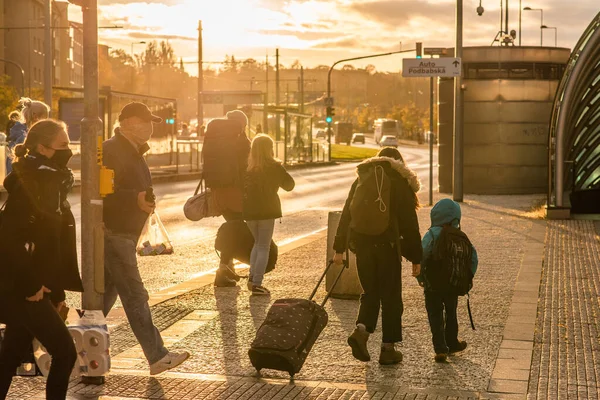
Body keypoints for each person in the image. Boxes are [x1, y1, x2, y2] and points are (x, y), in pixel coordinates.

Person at [102, 102, 189, 375]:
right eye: (144, 121)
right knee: (135, 296)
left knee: (99, 300)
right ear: (127, 122)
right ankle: (157, 356)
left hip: (124, 232)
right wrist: (135, 199)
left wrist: (144, 199)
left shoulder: (135, 150)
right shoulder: (112, 149)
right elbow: (102, 192)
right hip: (115, 233)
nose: (150, 127)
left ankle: (67, 346)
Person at [0, 119, 82, 399]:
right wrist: (31, 285)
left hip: (36, 287)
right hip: (25, 289)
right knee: (65, 352)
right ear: (42, 148)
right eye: (62, 146)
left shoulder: (51, 182)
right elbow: (9, 239)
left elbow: (51, 242)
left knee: (8, 356)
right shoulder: (31, 184)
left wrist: (55, 288)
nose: (67, 151)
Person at [333, 147, 422, 365]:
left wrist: (339, 248)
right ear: (399, 162)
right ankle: (388, 349)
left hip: (362, 245)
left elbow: (347, 212)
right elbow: (410, 224)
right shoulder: (399, 181)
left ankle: (361, 332)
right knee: (391, 297)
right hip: (387, 247)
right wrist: (416, 257)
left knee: (370, 292)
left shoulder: (362, 178)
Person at [416, 199, 478, 363]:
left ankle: (440, 348)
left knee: (435, 313)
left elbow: (422, 255)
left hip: (433, 284)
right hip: (452, 283)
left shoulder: (431, 234)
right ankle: (452, 342)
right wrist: (467, 277)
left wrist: (420, 277)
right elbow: (473, 259)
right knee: (451, 313)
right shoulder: (461, 236)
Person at [203, 110, 251, 287]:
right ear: (242, 124)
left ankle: (226, 271)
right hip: (235, 191)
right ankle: (223, 270)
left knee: (233, 227)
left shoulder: (217, 138)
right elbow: (246, 167)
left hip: (218, 190)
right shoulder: (241, 140)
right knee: (235, 229)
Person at [243, 134, 295, 295]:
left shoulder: (249, 168)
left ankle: (252, 277)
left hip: (250, 211)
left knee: (256, 244)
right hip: (267, 210)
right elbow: (289, 185)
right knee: (264, 246)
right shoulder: (274, 167)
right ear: (269, 149)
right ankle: (257, 282)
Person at [5, 99, 50, 175]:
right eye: (45, 118)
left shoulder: (20, 134)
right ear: (35, 116)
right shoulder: (26, 138)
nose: (46, 122)